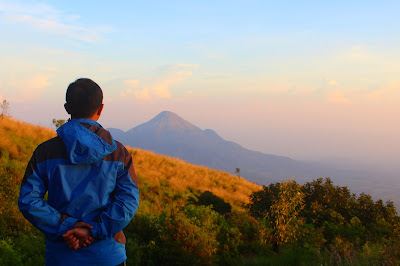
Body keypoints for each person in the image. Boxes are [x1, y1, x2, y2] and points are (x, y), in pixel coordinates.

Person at [18, 78, 139, 266]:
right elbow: (128, 202)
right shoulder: (119, 153)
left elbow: (28, 200)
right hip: (107, 256)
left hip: (61, 256)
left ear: (67, 107)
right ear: (100, 109)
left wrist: (68, 225)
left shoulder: (44, 152)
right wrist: (95, 229)